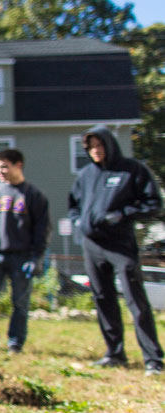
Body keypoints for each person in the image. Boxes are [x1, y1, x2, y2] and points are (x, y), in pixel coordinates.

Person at [68, 125, 164, 375]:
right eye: (91, 148)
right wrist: (78, 222)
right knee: (102, 298)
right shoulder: (86, 175)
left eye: (100, 146)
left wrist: (121, 215)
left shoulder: (132, 170)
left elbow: (153, 204)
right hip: (92, 246)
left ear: (110, 145)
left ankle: (153, 359)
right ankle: (114, 353)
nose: (96, 152)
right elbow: (73, 205)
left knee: (135, 299)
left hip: (120, 245)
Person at [0, 148, 50, 354]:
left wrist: (36, 257)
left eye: (4, 166)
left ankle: (15, 342)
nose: (0, 172)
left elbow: (42, 229)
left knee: (19, 302)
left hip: (21, 257)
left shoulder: (33, 195)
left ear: (18, 165)